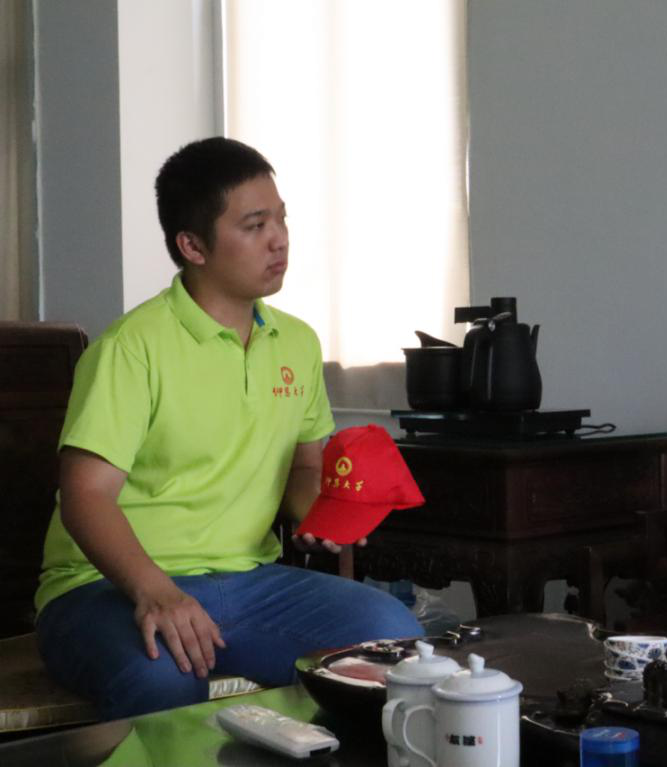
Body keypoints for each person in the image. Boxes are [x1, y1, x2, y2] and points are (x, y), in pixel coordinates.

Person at [35, 137, 423, 719]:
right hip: (105, 587)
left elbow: (305, 463)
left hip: (247, 581)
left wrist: (317, 513)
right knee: (163, 677)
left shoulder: (296, 341)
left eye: (282, 219)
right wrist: (157, 592)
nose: (280, 239)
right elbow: (84, 497)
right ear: (192, 245)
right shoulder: (131, 348)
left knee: (392, 637)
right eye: (255, 225)